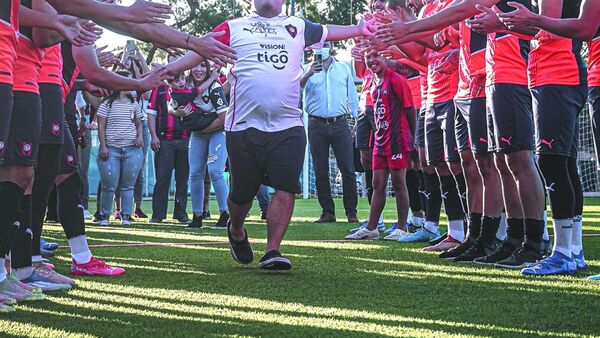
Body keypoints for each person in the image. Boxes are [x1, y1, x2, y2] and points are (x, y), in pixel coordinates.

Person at [167, 0, 374, 270]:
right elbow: (199, 48)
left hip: (288, 125)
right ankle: (237, 229)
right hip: (243, 126)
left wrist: (360, 29)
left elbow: (330, 31)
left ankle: (272, 250)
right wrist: (168, 70)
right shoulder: (233, 27)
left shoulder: (297, 26)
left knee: (285, 186)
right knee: (242, 193)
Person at [345, 53, 416, 240]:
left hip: (397, 139)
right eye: (368, 57)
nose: (371, 60)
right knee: (378, 184)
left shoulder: (397, 80)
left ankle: (402, 227)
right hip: (381, 140)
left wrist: (412, 136)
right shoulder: (374, 83)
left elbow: (410, 109)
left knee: (399, 184)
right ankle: (372, 228)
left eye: (376, 56)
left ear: (386, 58)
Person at [300, 41, 360, 224]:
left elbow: (352, 96)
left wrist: (356, 122)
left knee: (347, 169)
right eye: (318, 44)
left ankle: (351, 212)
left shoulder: (343, 68)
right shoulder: (304, 68)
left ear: (332, 45)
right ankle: (328, 212)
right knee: (320, 170)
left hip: (341, 122)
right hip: (316, 123)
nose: (322, 47)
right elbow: (296, 88)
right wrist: (309, 72)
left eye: (325, 43)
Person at [185, 61, 230, 229]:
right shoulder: (186, 85)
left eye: (203, 66)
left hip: (217, 130)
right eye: (195, 65)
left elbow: (224, 118)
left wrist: (202, 128)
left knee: (214, 171)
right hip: (198, 133)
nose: (198, 69)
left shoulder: (215, 88)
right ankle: (197, 215)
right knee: (195, 172)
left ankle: (226, 214)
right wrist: (175, 111)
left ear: (209, 69)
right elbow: (172, 104)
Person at [96, 73, 145, 226]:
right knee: (109, 184)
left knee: (128, 185)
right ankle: (104, 216)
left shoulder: (134, 104)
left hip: (132, 149)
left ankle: (125, 215)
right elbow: (101, 127)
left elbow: (139, 124)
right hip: (111, 149)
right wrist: (103, 146)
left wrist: (140, 137)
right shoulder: (106, 104)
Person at [147, 71, 192, 224]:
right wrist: (153, 136)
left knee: (182, 179)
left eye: (181, 77)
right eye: (175, 79)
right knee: (162, 178)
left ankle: (181, 213)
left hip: (186, 139)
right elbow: (151, 113)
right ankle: (158, 214)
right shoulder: (159, 88)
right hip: (164, 139)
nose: (179, 81)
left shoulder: (190, 90)